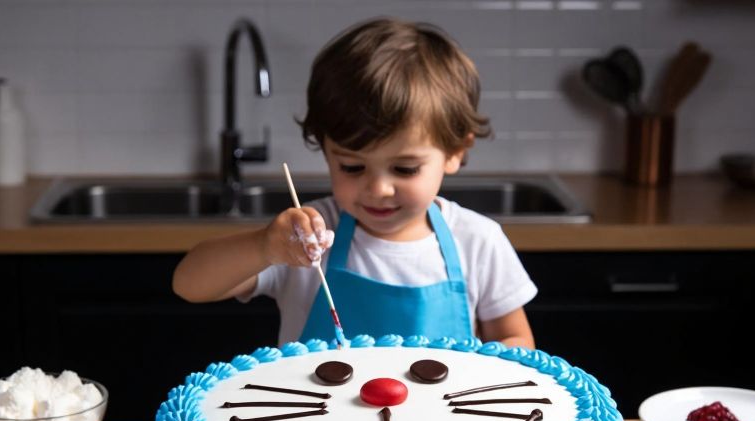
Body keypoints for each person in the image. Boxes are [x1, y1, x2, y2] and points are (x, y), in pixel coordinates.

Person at [172, 18, 537, 349]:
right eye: (352, 167)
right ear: (326, 151)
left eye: (405, 169)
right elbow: (189, 285)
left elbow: (515, 337)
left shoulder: (478, 241)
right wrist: (264, 246)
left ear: (455, 152)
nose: (378, 188)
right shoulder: (306, 236)